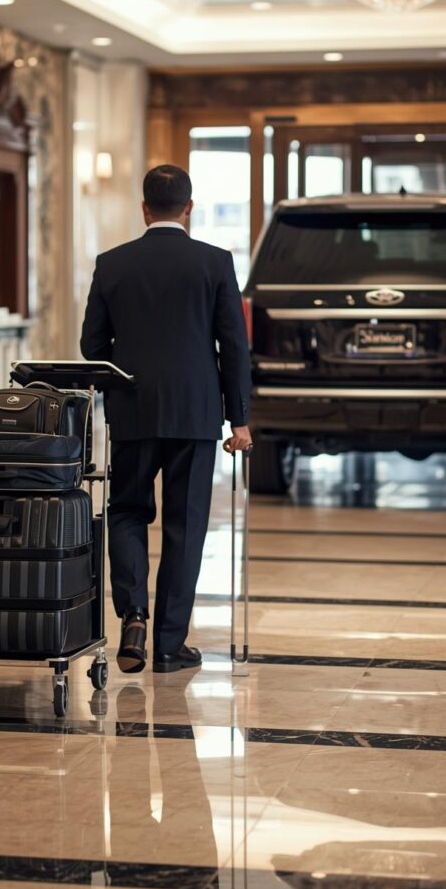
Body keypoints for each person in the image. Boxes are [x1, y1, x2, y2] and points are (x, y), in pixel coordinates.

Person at [80, 164, 252, 674]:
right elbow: (234, 347)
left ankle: (133, 614)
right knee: (185, 525)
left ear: (144, 208)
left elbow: (92, 346)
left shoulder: (111, 264)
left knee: (128, 511)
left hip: (132, 412)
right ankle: (169, 645)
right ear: (189, 208)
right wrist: (238, 418)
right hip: (197, 414)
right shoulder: (215, 263)